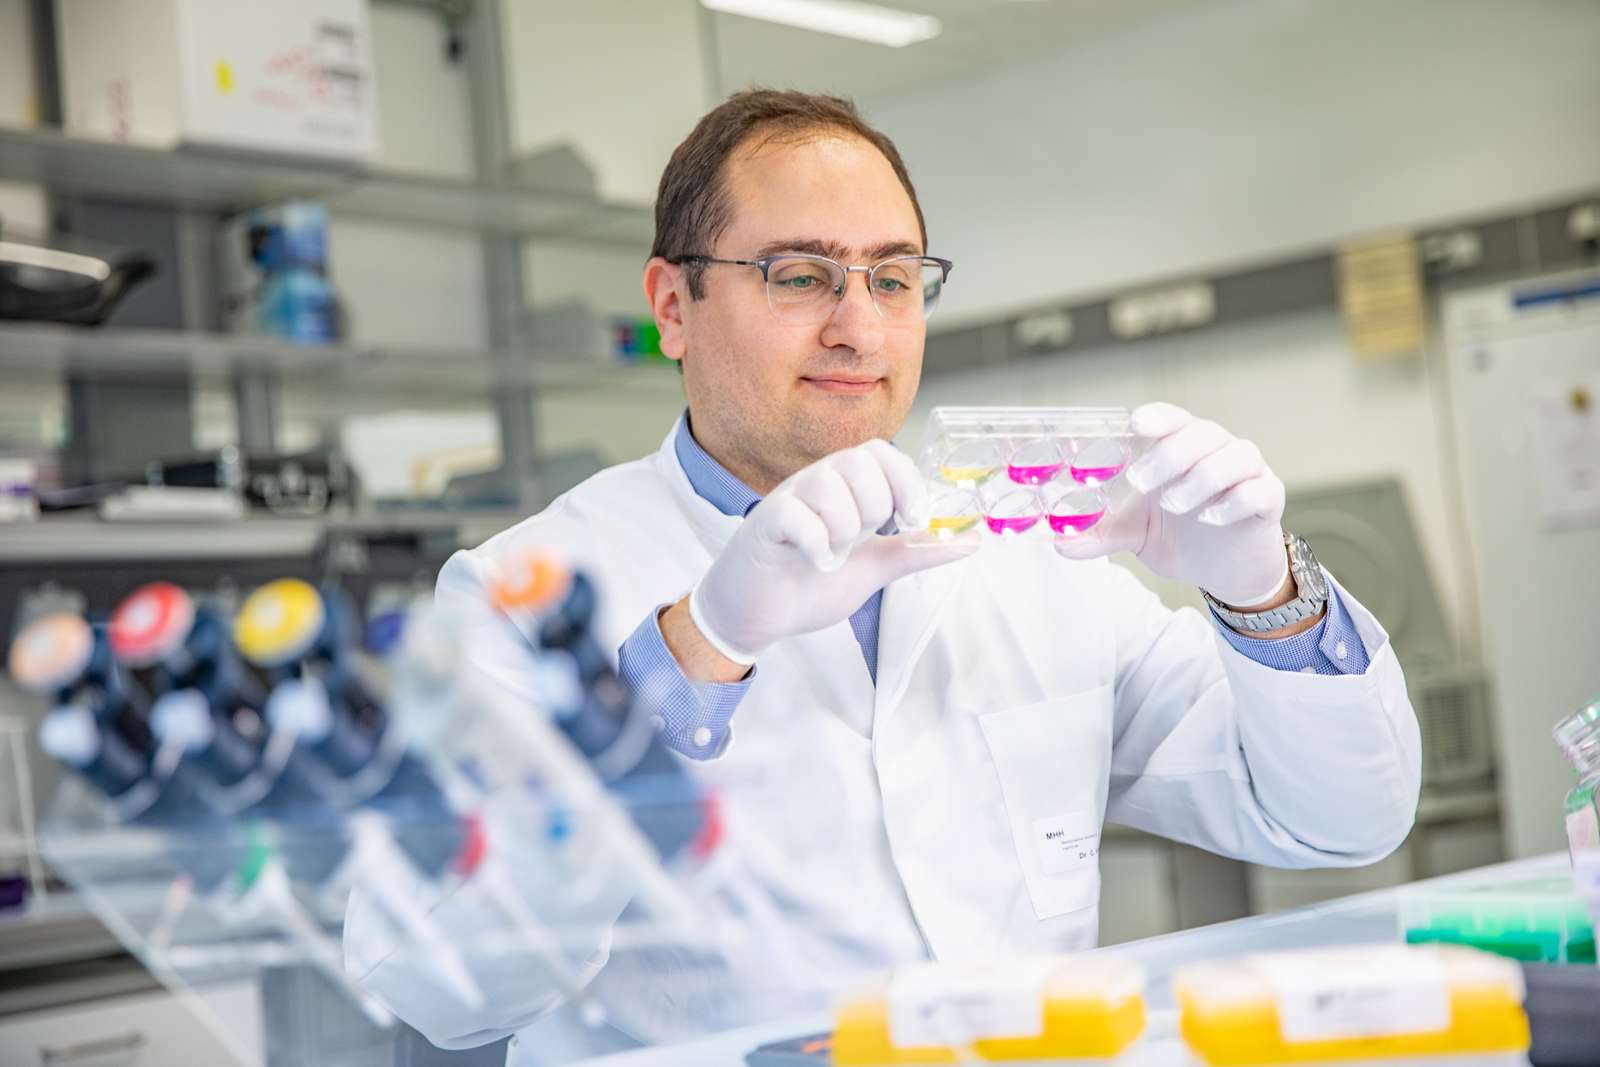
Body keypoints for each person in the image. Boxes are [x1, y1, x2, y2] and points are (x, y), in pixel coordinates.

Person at [347, 89, 1420, 1061]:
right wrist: (690, 657)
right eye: (800, 274)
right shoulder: (518, 589)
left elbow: (1334, 818)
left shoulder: (1039, 551)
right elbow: (438, 983)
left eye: (893, 278)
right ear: (672, 306)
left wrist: (1264, 592)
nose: (858, 327)